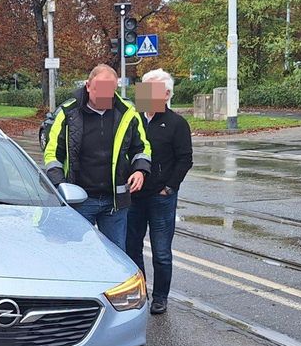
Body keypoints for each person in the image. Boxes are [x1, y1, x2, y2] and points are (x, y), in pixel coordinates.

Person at [42, 64, 151, 246]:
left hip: (114, 202)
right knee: (77, 252)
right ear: (88, 86)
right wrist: (60, 186)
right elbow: (52, 154)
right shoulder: (68, 113)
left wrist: (140, 170)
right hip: (79, 200)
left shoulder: (127, 113)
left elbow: (141, 147)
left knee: (116, 254)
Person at [126, 70, 192, 315]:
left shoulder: (176, 124)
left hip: (161, 197)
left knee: (161, 252)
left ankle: (160, 297)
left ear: (166, 94)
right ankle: (139, 292)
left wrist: (169, 187)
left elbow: (184, 160)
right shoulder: (134, 121)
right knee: (131, 248)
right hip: (134, 196)